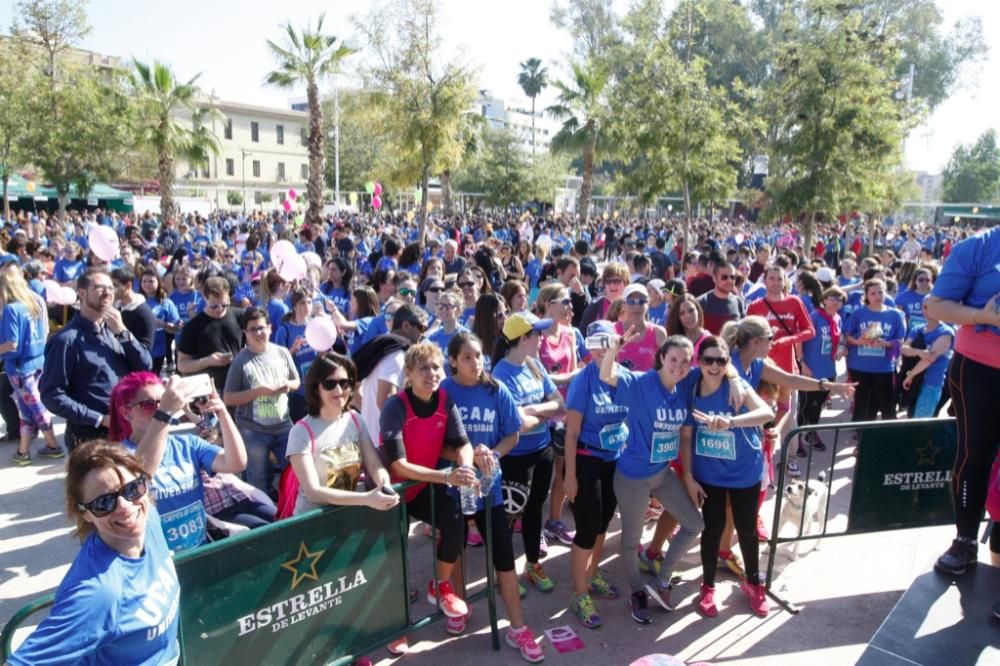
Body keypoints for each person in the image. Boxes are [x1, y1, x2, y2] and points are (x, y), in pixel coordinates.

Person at [7, 442, 180, 664]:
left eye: (132, 489)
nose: (125, 506)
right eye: (104, 502)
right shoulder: (99, 593)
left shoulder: (150, 522)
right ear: (85, 513)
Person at [441, 332, 546, 661]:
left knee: (503, 556)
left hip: (489, 488)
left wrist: (493, 454)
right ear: (454, 361)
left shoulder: (494, 389)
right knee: (453, 548)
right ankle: (458, 606)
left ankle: (518, 628)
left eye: (479, 355)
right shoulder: (444, 391)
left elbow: (512, 433)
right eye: (468, 357)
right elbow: (436, 443)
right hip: (454, 484)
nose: (476, 363)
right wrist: (464, 457)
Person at [600, 332, 706, 624]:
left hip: (663, 474)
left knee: (695, 523)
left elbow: (722, 363)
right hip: (633, 477)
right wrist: (613, 349)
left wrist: (688, 477)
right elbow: (608, 375)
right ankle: (637, 591)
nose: (680, 366)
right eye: (674, 359)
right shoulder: (641, 382)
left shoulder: (684, 387)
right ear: (661, 358)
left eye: (685, 361)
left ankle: (662, 581)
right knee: (632, 539)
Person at [379, 343, 478, 656]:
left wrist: (464, 467)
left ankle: (442, 586)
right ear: (408, 373)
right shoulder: (395, 406)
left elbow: (463, 443)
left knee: (454, 521)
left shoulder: (445, 400)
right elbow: (398, 465)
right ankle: (396, 626)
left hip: (421, 489)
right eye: (423, 368)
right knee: (395, 560)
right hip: (390, 494)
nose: (432, 374)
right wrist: (447, 477)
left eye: (436, 367)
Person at [924, 226, 1000, 582]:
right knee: (975, 455)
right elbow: (936, 305)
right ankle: (965, 539)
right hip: (980, 369)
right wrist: (983, 317)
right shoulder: (980, 247)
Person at [685, 336, 775, 618]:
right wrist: (688, 475)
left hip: (743, 470)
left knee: (746, 529)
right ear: (698, 362)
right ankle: (708, 585)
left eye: (721, 361)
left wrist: (732, 421)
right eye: (708, 360)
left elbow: (767, 412)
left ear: (728, 363)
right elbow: (685, 434)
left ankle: (753, 583)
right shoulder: (690, 384)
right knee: (712, 529)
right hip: (709, 472)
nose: (714, 366)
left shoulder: (736, 384)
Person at [110, 372, 248, 551]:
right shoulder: (118, 455)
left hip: (198, 549)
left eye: (164, 401)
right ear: (126, 412)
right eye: (149, 405)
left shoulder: (188, 444)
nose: (158, 408)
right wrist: (165, 412)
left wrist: (222, 413)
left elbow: (236, 463)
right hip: (156, 559)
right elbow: (139, 476)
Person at [492, 312, 565, 593]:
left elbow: (558, 402)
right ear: (523, 338)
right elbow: (516, 423)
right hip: (515, 455)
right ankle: (504, 574)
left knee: (535, 509)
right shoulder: (501, 373)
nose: (542, 338)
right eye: (537, 334)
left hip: (542, 450)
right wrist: (541, 413)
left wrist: (534, 410)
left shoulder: (534, 365)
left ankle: (532, 564)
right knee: (510, 516)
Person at [41, 268, 153, 451]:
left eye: (111, 287)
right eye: (100, 288)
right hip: (90, 438)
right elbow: (52, 394)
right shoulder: (66, 341)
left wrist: (123, 332)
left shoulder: (115, 331)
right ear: (82, 293)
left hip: (126, 430)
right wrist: (99, 419)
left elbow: (145, 366)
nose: (108, 292)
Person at [563, 321, 627, 629]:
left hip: (614, 460)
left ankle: (592, 574)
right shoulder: (583, 379)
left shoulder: (622, 375)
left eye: (608, 342)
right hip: (587, 460)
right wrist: (570, 476)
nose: (602, 349)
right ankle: (579, 592)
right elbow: (571, 432)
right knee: (587, 529)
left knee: (603, 523)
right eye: (596, 343)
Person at [286, 352, 399, 515]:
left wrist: (385, 485)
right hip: (311, 523)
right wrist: (367, 498)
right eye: (329, 383)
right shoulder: (301, 431)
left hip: (345, 516)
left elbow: (374, 464)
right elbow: (313, 492)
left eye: (344, 383)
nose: (338, 390)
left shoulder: (355, 419)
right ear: (316, 388)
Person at [223, 307, 299, 494]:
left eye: (261, 328)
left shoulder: (282, 353)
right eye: (253, 329)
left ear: (270, 328)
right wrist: (258, 392)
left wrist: (288, 385)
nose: (258, 333)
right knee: (258, 480)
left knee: (296, 473)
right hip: (253, 430)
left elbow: (297, 381)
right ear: (245, 333)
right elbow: (229, 398)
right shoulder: (241, 361)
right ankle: (264, 519)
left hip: (283, 425)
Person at [0, 269, 62, 465]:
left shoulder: (12, 309)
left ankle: (53, 445)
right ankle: (23, 451)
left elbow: (12, 344)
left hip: (20, 368)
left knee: (35, 408)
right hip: (36, 362)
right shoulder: (33, 303)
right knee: (27, 410)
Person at [536, 283, 581, 548]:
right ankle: (534, 527)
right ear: (547, 304)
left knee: (562, 471)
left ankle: (553, 522)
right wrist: (565, 378)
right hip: (542, 412)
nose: (569, 306)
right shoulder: (536, 334)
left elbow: (574, 371)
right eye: (564, 301)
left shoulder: (571, 334)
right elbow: (536, 376)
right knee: (540, 474)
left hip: (564, 412)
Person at [354, 304, 428, 447]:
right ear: (406, 325)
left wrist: (369, 417)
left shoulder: (383, 350)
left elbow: (354, 390)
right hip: (386, 445)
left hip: (374, 443)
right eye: (422, 328)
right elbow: (385, 401)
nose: (423, 334)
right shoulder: (396, 355)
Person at [844, 278, 906, 422]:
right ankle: (861, 434)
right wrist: (859, 341)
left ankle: (885, 435)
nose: (877, 296)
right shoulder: (858, 313)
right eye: (873, 293)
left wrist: (885, 344)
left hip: (884, 367)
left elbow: (900, 340)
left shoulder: (895, 314)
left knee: (887, 405)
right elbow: (847, 336)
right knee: (862, 402)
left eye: (880, 292)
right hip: (860, 366)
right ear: (866, 295)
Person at [176, 276, 244, 394]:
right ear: (205, 298)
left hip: (239, 386)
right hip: (210, 390)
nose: (219, 309)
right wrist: (208, 361)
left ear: (229, 298)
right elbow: (182, 365)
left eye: (224, 305)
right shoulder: (192, 327)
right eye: (214, 306)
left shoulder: (240, 316)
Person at [900, 300, 954, 418]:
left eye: (931, 307)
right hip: (915, 382)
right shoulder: (918, 329)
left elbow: (930, 358)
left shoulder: (946, 332)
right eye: (924, 307)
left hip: (931, 383)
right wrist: (918, 352)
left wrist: (910, 375)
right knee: (911, 416)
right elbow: (904, 348)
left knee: (921, 421)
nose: (926, 311)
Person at [273, 288, 318, 422]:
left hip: (314, 388)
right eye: (302, 303)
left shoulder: (315, 326)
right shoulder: (284, 330)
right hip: (296, 392)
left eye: (309, 302)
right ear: (294, 306)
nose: (307, 307)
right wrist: (292, 350)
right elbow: (278, 361)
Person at [614, 283, 668, 372]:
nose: (637, 306)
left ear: (648, 303)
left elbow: (666, 368)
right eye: (631, 302)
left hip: (648, 384)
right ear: (623, 305)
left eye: (641, 301)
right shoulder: (613, 330)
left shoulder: (658, 333)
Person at [139, 269, 181, 375]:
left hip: (158, 350)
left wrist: (162, 324)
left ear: (158, 282)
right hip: (138, 349)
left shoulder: (166, 302)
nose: (147, 284)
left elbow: (177, 327)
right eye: (144, 281)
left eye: (151, 281)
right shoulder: (136, 300)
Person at [111, 267, 156, 353]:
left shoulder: (144, 313)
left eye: (115, 285)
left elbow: (145, 351)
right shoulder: (116, 307)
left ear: (128, 285)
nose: (111, 290)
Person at [698, 261, 746, 335]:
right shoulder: (702, 302)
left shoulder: (738, 302)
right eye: (724, 277)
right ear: (714, 278)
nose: (729, 280)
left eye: (732, 277)